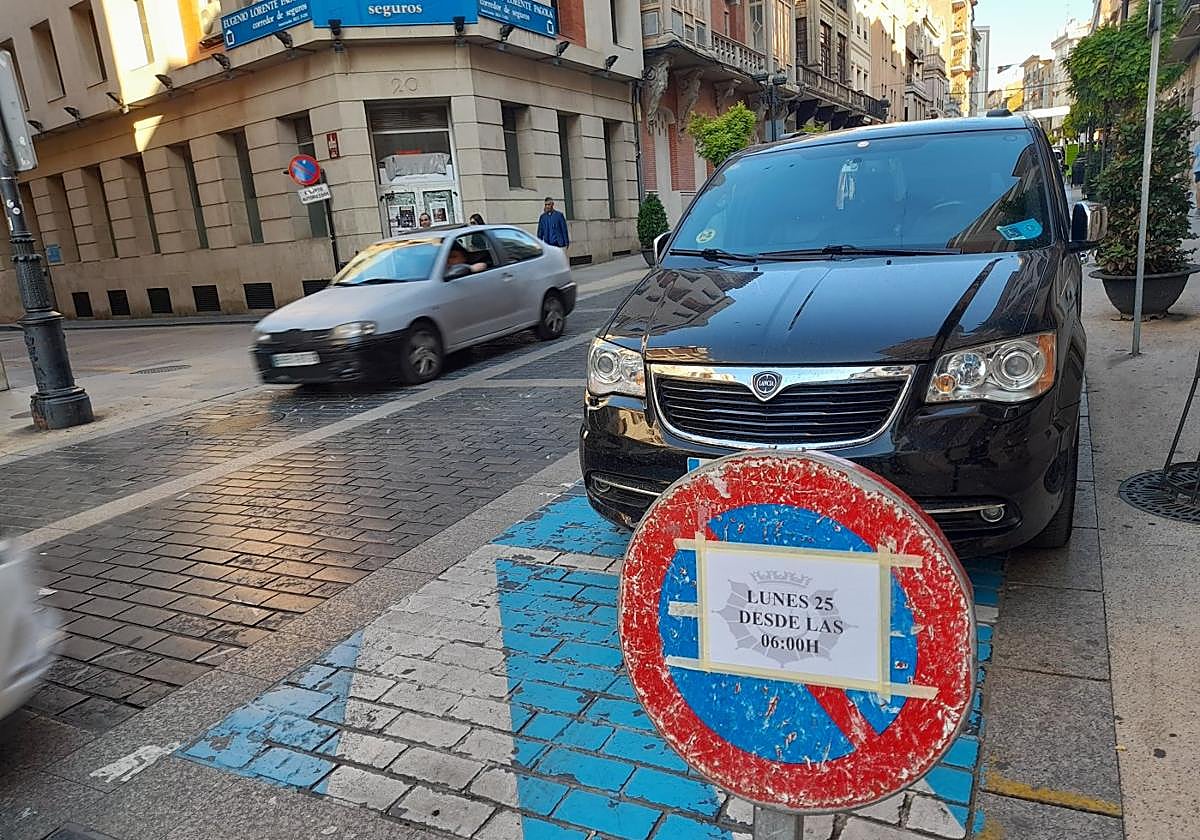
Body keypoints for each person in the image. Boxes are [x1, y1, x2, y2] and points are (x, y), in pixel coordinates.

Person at [1193, 139, 1200, 215]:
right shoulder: (1198, 145)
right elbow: (1193, 157)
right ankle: (1199, 207)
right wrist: (1188, 168)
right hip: (1199, 170)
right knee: (1199, 188)